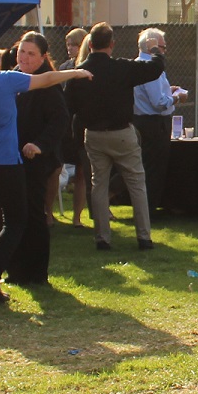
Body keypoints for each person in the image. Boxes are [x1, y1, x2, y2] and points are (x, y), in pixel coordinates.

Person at [0, 34, 89, 300]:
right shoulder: (5, 81)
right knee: (16, 220)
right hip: (3, 164)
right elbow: (45, 79)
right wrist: (75, 73)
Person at [71, 23, 164, 252]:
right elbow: (154, 69)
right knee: (136, 184)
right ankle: (144, 237)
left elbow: (70, 106)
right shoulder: (122, 68)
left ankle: (102, 237)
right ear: (112, 44)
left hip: (93, 134)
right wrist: (155, 51)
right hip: (122, 132)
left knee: (99, 185)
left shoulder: (79, 73)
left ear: (90, 44)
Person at [10, 33, 72, 286]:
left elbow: (60, 120)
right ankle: (17, 271)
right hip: (13, 157)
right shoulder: (16, 75)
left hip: (36, 159)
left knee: (34, 214)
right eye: (21, 51)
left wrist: (40, 145)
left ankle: (36, 274)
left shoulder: (48, 83)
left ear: (43, 57)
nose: (24, 57)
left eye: (30, 53)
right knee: (16, 214)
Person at [130, 29, 186, 215]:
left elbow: (152, 95)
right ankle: (148, 210)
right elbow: (159, 103)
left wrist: (169, 90)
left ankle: (146, 208)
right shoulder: (151, 67)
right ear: (151, 46)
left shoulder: (137, 65)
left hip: (140, 121)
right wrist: (177, 98)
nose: (164, 51)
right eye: (162, 47)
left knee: (144, 165)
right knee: (154, 168)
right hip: (154, 124)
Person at [59, 26, 92, 225]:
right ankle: (49, 212)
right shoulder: (64, 68)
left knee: (81, 172)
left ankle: (77, 217)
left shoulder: (88, 69)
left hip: (80, 126)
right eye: (68, 44)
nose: (70, 48)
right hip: (64, 126)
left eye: (74, 44)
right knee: (56, 169)